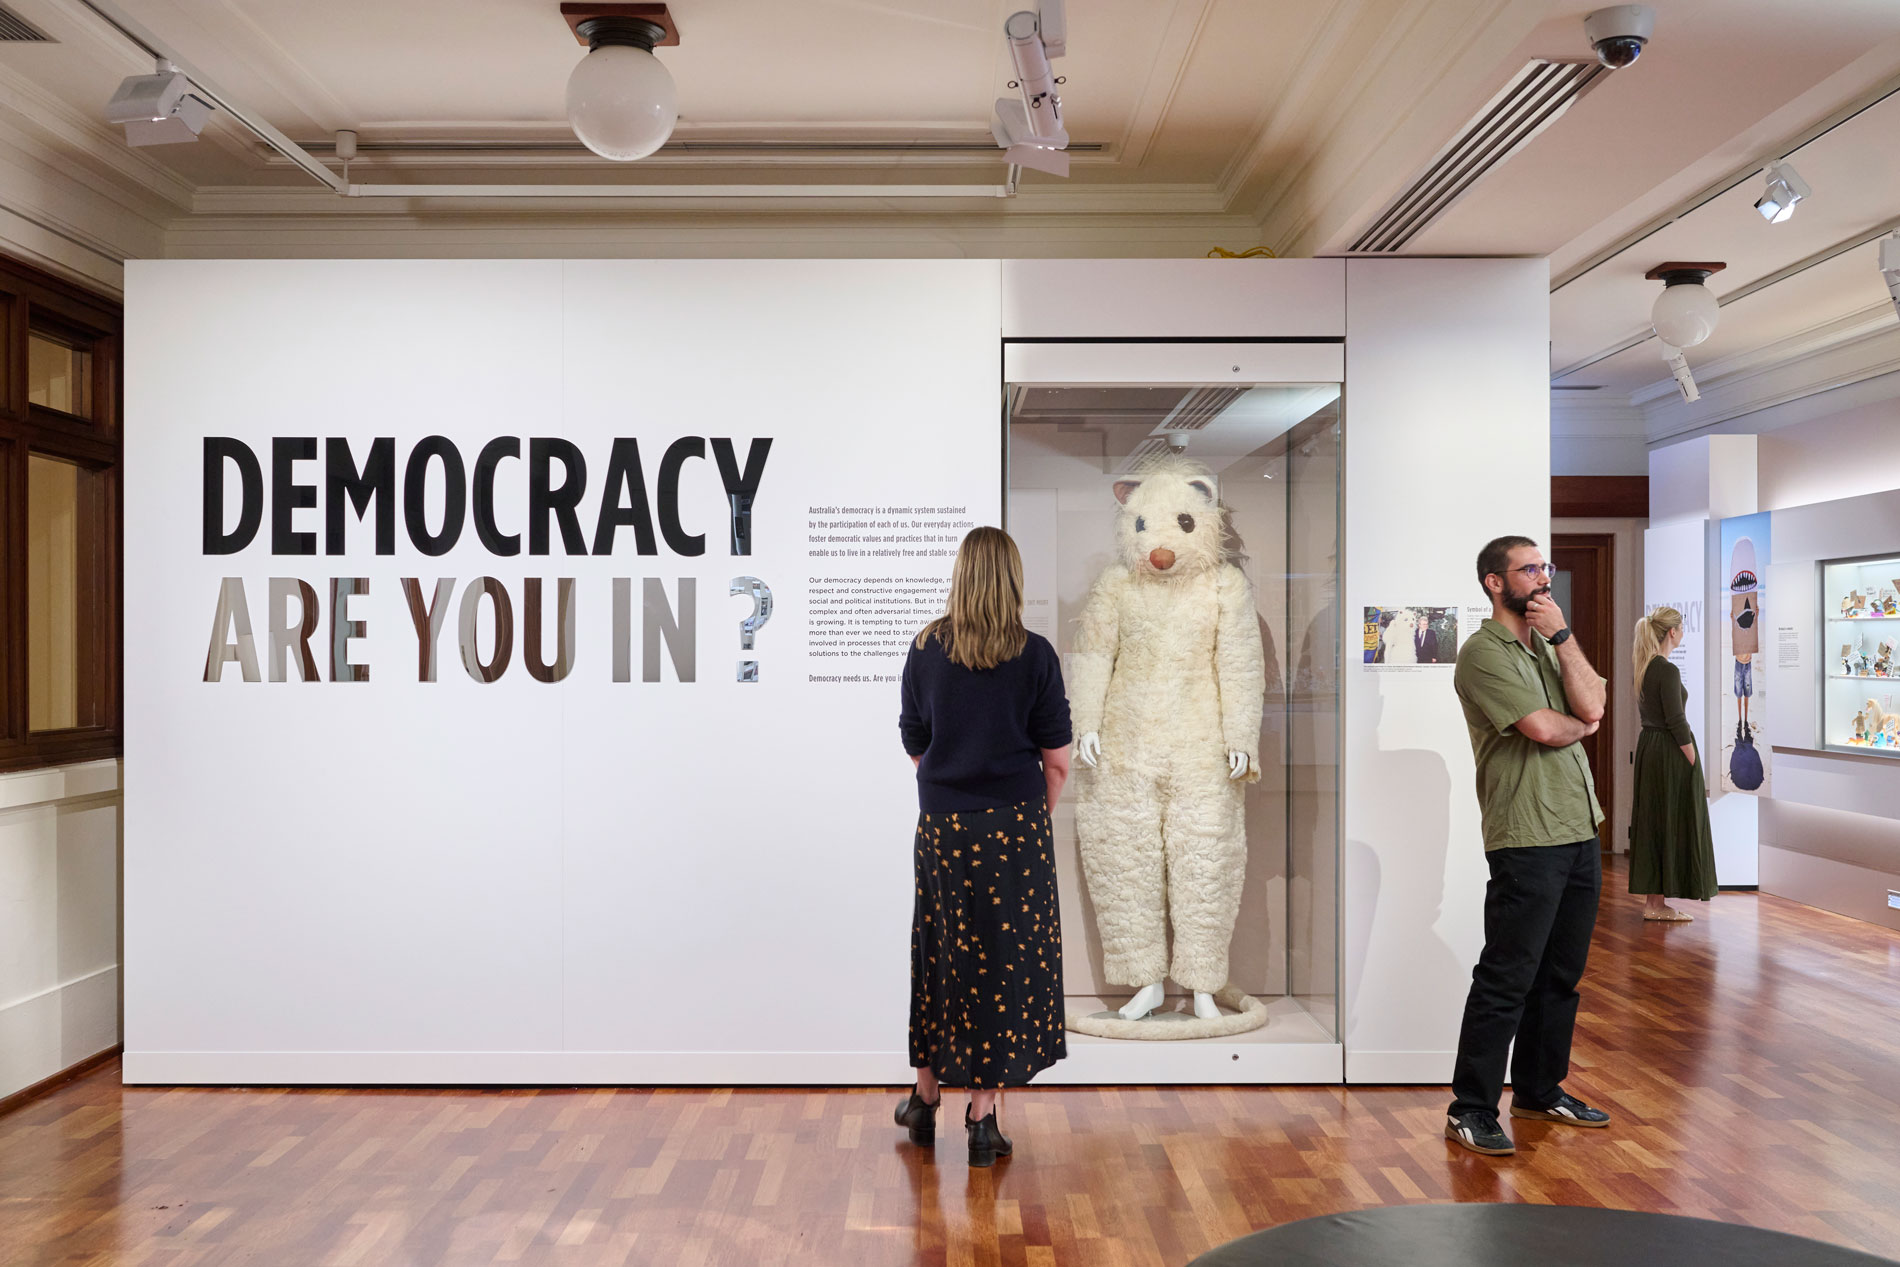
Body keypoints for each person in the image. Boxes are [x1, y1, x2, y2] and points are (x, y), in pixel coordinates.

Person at [893, 526, 1073, 1168]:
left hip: (943, 828)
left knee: (939, 955)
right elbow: (1057, 761)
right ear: (1013, 580)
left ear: (960, 576)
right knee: (1003, 964)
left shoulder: (925, 648)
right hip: (1015, 829)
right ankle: (982, 1118)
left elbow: (915, 742)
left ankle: (924, 1097)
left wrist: (951, 787)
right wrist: (1027, 817)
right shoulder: (1035, 655)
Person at [1446, 535, 1611, 1157]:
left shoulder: (1547, 644)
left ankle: (1540, 1091)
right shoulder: (1481, 654)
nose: (1543, 577)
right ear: (1495, 582)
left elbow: (1594, 703)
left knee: (1561, 976)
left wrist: (1563, 637)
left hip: (1579, 828)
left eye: (1545, 567)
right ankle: (1471, 1108)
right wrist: (1582, 727)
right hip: (1526, 835)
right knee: (1507, 975)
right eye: (1529, 569)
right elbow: (1543, 727)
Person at [1629, 608, 1717, 920]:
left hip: (1651, 749)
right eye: (1682, 628)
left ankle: (1654, 903)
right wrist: (1692, 760)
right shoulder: (1666, 670)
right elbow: (1676, 720)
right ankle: (1655, 905)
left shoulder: (1646, 667)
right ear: (1672, 632)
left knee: (1656, 822)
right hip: (1668, 751)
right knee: (1670, 821)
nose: (1683, 633)